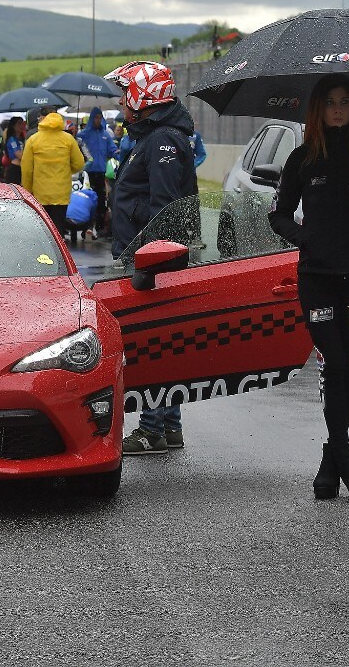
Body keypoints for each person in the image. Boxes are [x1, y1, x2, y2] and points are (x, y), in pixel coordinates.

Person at [268, 73, 349, 500]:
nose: (338, 109)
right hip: (317, 278)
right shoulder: (303, 158)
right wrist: (306, 237)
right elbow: (279, 214)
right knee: (336, 360)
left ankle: (331, 458)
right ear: (318, 109)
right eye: (330, 103)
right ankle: (345, 458)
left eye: (345, 102)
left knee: (344, 364)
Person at [105, 61, 198, 456]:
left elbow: (165, 209)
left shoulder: (161, 140)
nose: (122, 101)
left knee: (151, 343)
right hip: (145, 252)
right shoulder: (155, 135)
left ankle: (150, 429)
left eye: (126, 93)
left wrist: (145, 256)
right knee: (164, 340)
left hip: (149, 256)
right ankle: (169, 425)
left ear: (144, 96)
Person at [21, 109, 86, 242]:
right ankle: (60, 257)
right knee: (58, 229)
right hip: (61, 193)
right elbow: (79, 164)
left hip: (40, 193)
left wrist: (28, 191)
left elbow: (27, 169)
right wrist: (65, 170)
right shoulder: (68, 139)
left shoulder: (33, 140)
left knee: (43, 230)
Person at [77, 107, 115, 235]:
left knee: (100, 200)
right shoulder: (84, 135)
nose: (98, 120)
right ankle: (85, 226)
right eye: (96, 118)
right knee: (86, 199)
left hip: (101, 172)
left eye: (100, 117)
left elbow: (112, 150)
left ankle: (98, 227)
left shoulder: (105, 135)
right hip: (87, 172)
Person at [1, 117, 26, 184]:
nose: (22, 126)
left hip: (21, 168)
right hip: (14, 169)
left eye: (22, 123)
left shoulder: (22, 139)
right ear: (13, 126)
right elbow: (18, 155)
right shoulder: (12, 140)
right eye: (19, 124)